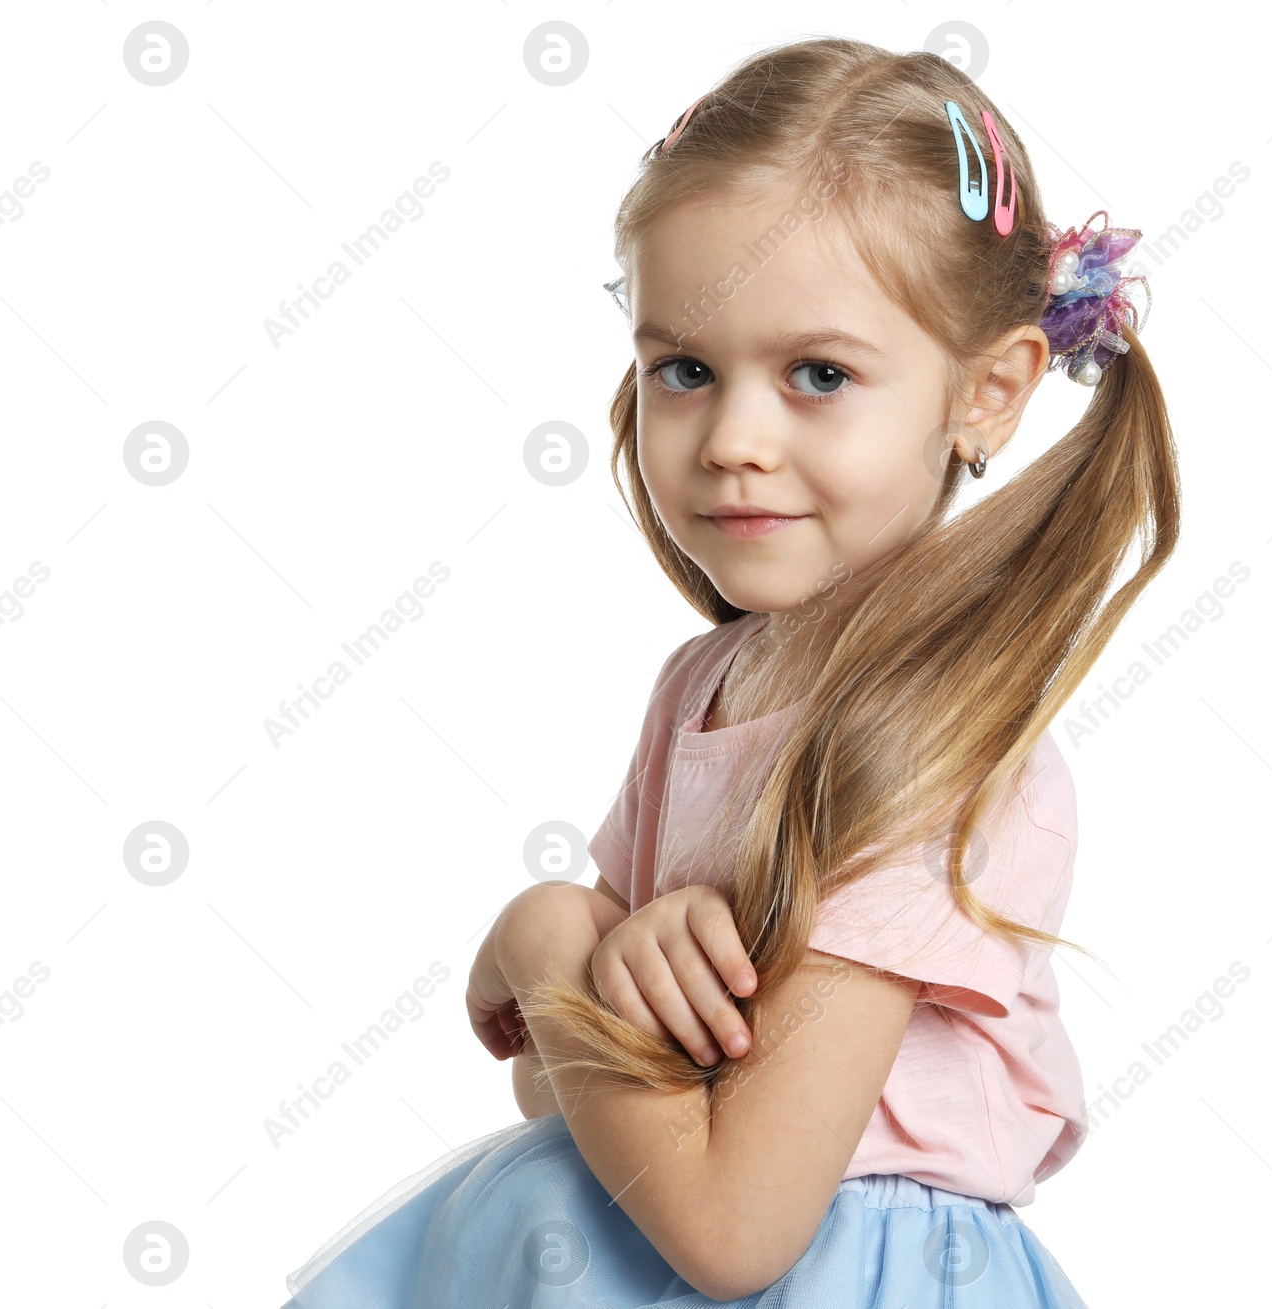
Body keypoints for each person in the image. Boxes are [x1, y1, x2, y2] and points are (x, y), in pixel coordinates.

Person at [280, 33, 1178, 1308]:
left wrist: (547, 942)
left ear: (987, 393)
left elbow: (735, 1225)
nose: (733, 441)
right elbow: (580, 1100)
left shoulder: (925, 750)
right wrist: (598, 974)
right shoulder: (700, 691)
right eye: (685, 370)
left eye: (819, 375)